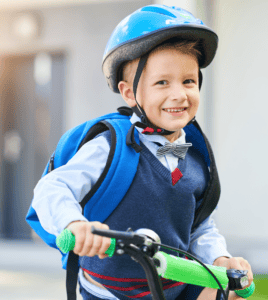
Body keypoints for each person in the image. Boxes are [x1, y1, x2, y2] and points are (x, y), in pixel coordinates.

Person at [30, 5, 253, 300]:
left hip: (175, 286)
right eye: (162, 82)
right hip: (110, 292)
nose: (179, 94)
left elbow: (199, 226)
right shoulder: (110, 147)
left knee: (231, 291)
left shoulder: (196, 158)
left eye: (188, 81)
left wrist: (220, 259)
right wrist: (75, 224)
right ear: (130, 93)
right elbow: (52, 188)